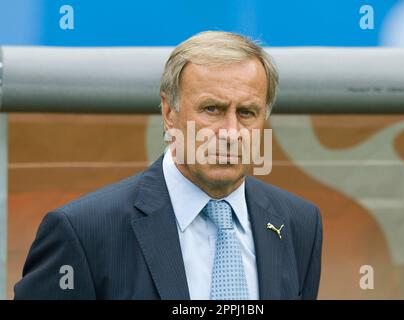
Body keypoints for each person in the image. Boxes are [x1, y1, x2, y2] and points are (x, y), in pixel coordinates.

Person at [14, 31, 322, 300]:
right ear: (168, 111)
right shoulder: (83, 232)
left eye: (246, 112)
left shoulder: (300, 223)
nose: (230, 132)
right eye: (212, 109)